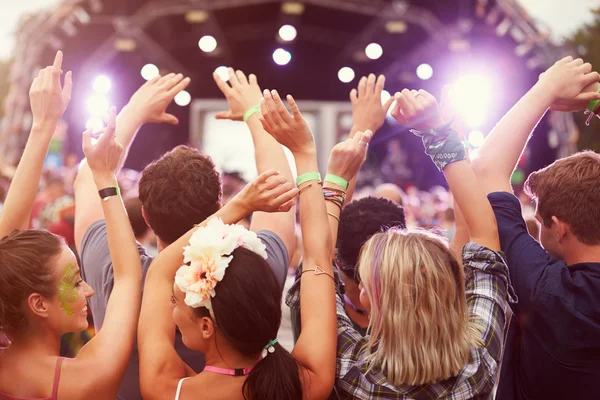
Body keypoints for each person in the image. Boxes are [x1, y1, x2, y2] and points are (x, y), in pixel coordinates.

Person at [73, 68, 298, 400]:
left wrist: (134, 109)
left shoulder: (117, 270)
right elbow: (279, 186)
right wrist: (254, 113)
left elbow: (87, 179)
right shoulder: (251, 269)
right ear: (217, 207)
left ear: (146, 217)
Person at [137, 89, 372, 399]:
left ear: (207, 326)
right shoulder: (307, 383)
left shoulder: (167, 390)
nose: (175, 314)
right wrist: (303, 152)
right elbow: (317, 258)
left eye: (176, 304)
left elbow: (160, 271)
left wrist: (240, 206)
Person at [308, 86, 513, 398]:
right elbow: (481, 233)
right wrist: (439, 132)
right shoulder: (477, 365)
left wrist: (336, 176)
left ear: (373, 300)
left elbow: (317, 263)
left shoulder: (352, 370)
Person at [0, 51, 144, 399]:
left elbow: (6, 250)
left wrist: (43, 125)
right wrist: (104, 177)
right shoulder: (84, 380)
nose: (90, 291)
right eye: (76, 281)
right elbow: (127, 277)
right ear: (38, 304)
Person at [471, 56, 600, 400]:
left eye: (539, 221)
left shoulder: (547, 290)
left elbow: (485, 169)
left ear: (560, 228)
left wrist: (545, 90)